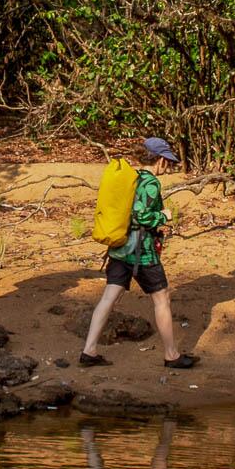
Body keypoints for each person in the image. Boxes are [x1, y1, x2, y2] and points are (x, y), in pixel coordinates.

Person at [78, 137, 198, 371]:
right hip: (141, 253)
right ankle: (172, 355)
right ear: (161, 160)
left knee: (109, 297)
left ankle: (89, 350)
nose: (169, 166)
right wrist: (164, 217)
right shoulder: (151, 183)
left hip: (119, 248)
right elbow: (141, 216)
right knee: (162, 297)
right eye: (168, 162)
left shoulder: (131, 178)